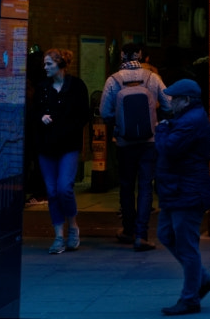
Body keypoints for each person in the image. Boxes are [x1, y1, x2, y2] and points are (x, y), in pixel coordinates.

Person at [100, 42, 170, 251]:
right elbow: (168, 104)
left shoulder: (113, 80)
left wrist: (121, 122)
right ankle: (142, 234)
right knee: (146, 186)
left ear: (121, 55)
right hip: (149, 142)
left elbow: (104, 112)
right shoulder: (152, 78)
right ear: (140, 55)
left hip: (124, 142)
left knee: (126, 185)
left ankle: (128, 230)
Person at [155, 79, 210, 316]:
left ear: (186, 100)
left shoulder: (191, 122)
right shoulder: (185, 119)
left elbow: (167, 149)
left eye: (174, 98)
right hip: (177, 189)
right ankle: (201, 278)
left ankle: (190, 299)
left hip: (187, 191)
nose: (170, 102)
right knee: (165, 234)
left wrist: (161, 129)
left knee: (187, 246)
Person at [33, 48, 90, 254]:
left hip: (68, 145)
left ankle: (73, 226)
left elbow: (84, 114)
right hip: (46, 146)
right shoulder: (42, 88)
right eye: (45, 64)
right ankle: (58, 235)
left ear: (60, 65)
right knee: (51, 191)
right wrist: (41, 117)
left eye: (49, 64)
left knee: (64, 187)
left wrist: (67, 126)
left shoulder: (76, 86)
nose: (45, 67)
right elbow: (34, 111)